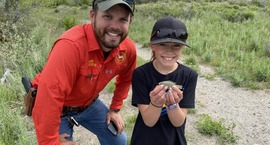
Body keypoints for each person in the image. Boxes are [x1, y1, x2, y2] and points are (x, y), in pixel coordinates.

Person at [31, 0, 136, 144]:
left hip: (88, 104)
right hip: (58, 109)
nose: (115, 26)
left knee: (118, 140)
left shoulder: (127, 49)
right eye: (107, 17)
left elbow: (126, 79)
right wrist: (52, 142)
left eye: (123, 19)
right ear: (92, 15)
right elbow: (48, 99)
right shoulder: (70, 46)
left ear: (130, 21)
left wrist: (114, 109)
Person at [130, 16, 198, 145]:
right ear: (152, 46)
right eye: (163, 44)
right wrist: (156, 103)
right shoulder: (140, 74)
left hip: (174, 140)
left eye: (176, 46)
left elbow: (178, 122)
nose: (169, 51)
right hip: (145, 139)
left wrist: (173, 104)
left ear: (182, 47)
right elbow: (149, 121)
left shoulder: (190, 75)